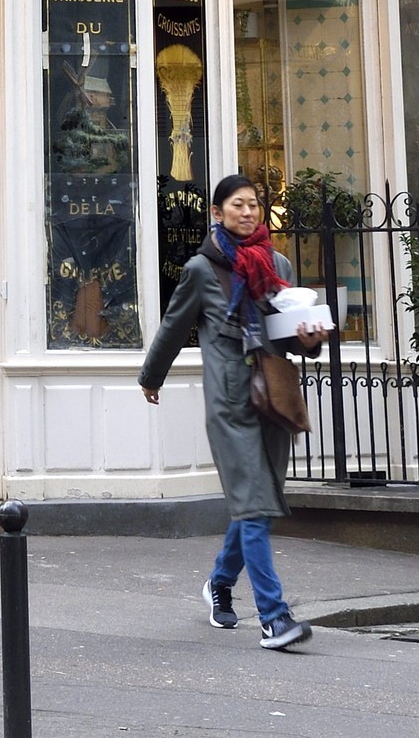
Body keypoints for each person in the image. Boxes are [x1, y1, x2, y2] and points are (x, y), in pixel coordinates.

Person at [139, 171, 324, 651]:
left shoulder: (277, 262)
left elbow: (287, 331)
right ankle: (274, 618)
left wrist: (310, 340)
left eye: (253, 204)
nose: (247, 211)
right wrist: (151, 377)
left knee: (256, 505)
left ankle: (220, 583)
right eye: (237, 204)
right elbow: (173, 327)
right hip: (230, 402)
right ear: (217, 213)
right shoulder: (201, 269)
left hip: (273, 396)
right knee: (256, 505)